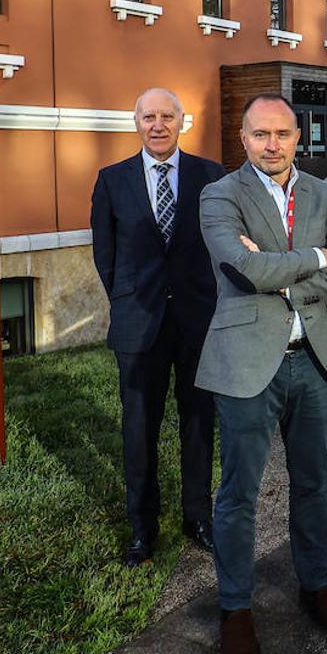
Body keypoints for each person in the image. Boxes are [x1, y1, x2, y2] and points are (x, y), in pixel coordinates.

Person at [197, 93, 327, 654]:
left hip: (314, 360)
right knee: (239, 493)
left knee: (314, 483)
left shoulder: (325, 192)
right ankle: (235, 607)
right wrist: (315, 257)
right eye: (260, 134)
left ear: (299, 138)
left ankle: (316, 584)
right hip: (245, 364)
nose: (272, 144)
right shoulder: (219, 195)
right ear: (242, 138)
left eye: (282, 134)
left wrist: (286, 271)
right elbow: (242, 270)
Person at [90, 88, 223, 567]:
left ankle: (198, 518)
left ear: (181, 122)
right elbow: (104, 255)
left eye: (168, 116)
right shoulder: (112, 180)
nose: (159, 125)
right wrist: (128, 302)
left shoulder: (211, 176)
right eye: (150, 117)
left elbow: (221, 245)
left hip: (196, 322)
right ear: (137, 123)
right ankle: (142, 530)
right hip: (139, 325)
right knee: (139, 429)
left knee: (199, 423)